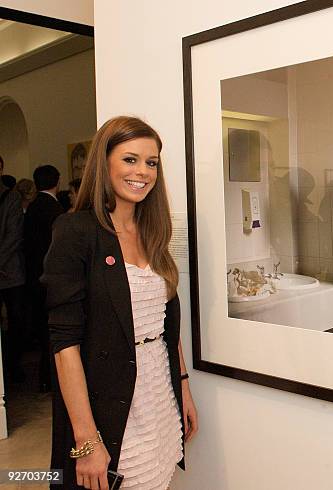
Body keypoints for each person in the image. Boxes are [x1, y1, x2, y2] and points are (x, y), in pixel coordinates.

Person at [42, 116, 198, 489]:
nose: (142, 172)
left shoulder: (153, 231)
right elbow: (65, 346)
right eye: (130, 159)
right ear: (104, 162)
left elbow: (164, 325)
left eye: (151, 162)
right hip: (112, 405)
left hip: (160, 394)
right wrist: (86, 441)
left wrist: (184, 389)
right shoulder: (76, 232)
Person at [24, 164, 64, 391]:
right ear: (57, 181)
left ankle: (45, 378)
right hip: (50, 280)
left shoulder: (32, 208)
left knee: (43, 330)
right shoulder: (54, 210)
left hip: (33, 278)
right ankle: (51, 378)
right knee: (54, 332)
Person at [0, 155, 26, 382]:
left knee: (16, 320)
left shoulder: (12, 197)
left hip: (11, 274)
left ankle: (13, 365)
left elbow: (14, 235)